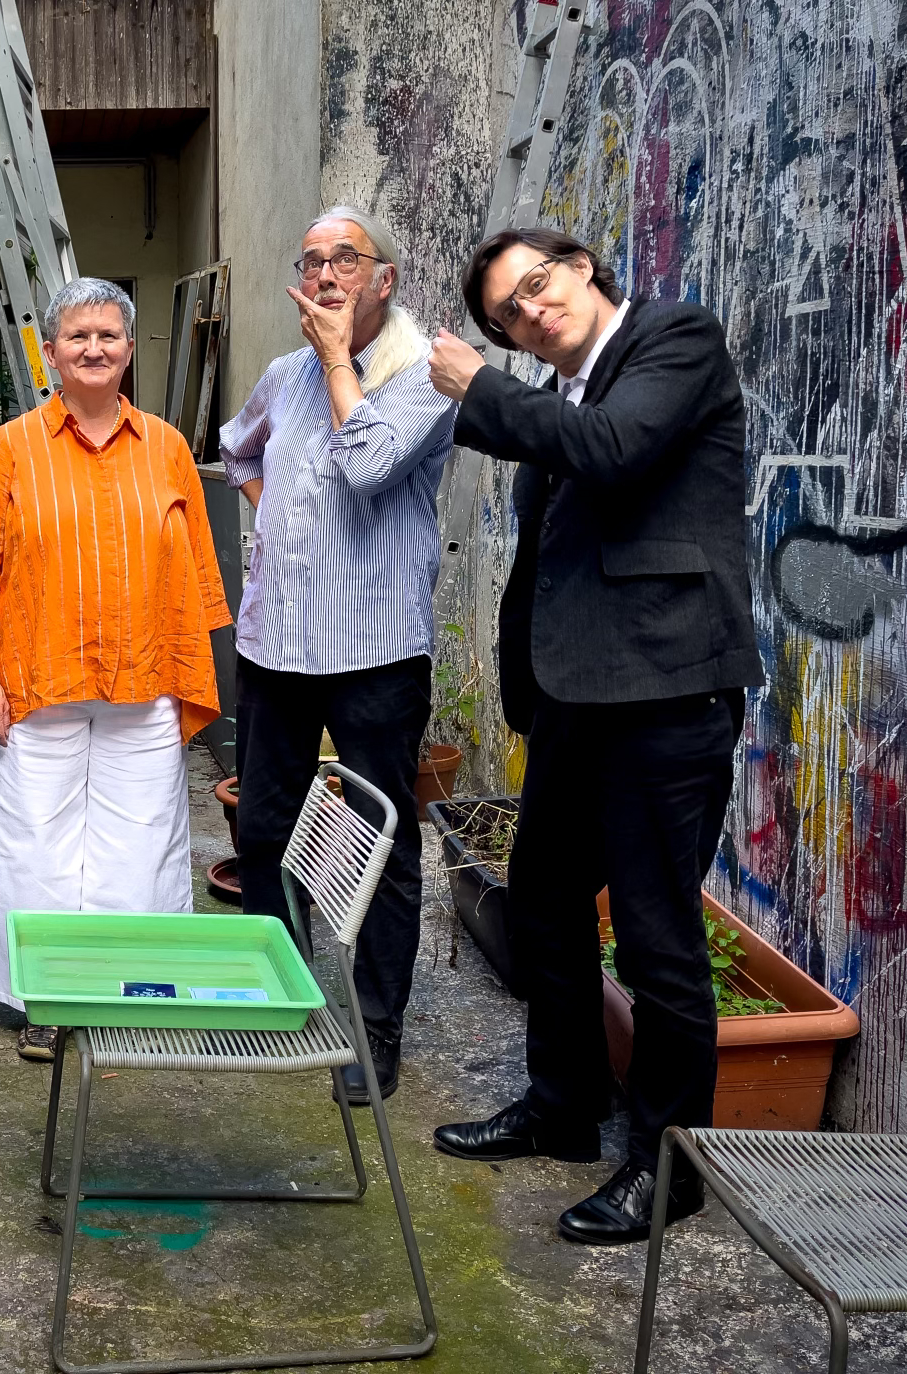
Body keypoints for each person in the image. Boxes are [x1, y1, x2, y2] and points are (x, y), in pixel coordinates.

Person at [425, 228, 762, 1245]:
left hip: (666, 697)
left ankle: (668, 1169)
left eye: (536, 286)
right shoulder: (558, 401)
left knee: (658, 944)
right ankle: (562, 1106)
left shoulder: (675, 342)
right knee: (543, 905)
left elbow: (617, 453)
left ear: (581, 269)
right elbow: (550, 550)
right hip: (578, 701)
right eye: (508, 314)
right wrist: (525, 684)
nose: (532, 312)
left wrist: (480, 385)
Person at [0, 277, 234, 1061]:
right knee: (32, 845)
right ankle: (45, 997)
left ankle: (128, 991)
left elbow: (196, 575)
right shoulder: (12, 447)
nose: (94, 349)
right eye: (78, 336)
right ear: (51, 351)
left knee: (139, 841)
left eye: (108, 335)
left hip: (144, 676)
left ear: (127, 349)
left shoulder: (169, 447)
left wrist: (186, 672)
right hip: (36, 677)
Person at [218, 206, 455, 1105]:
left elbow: (365, 466)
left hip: (377, 651)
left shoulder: (422, 375)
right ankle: (280, 1001)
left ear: (382, 279)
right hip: (277, 642)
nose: (323, 274)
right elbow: (237, 451)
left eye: (344, 260)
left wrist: (333, 358)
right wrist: (278, 523)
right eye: (311, 259)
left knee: (382, 845)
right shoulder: (282, 375)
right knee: (266, 831)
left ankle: (376, 1029)